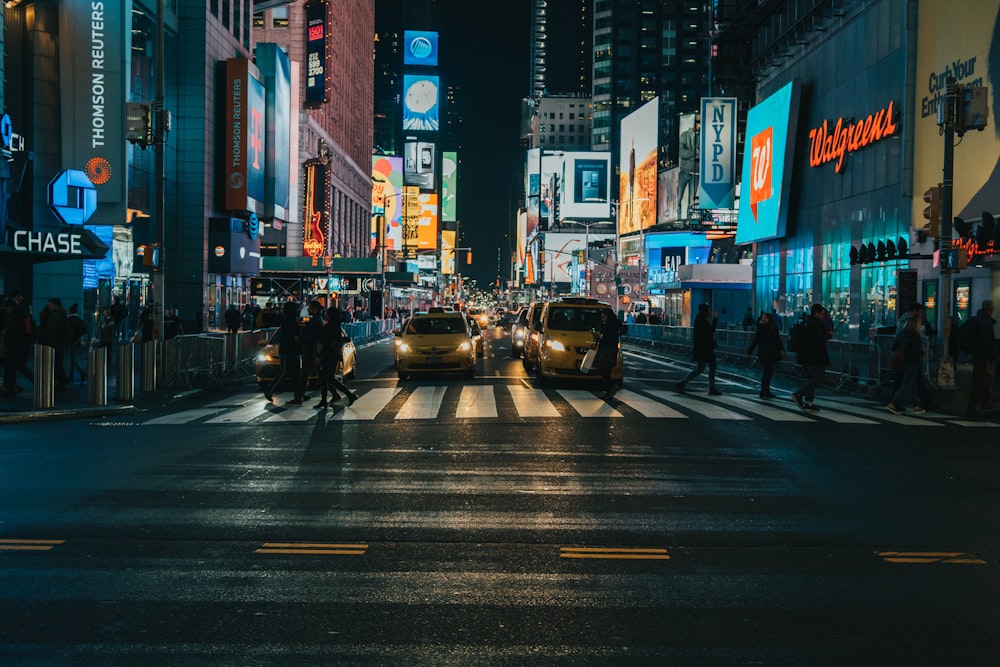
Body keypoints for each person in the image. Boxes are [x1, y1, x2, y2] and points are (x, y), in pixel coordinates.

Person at [315, 307, 359, 408]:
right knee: (325, 378)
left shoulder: (328, 328)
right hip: (334, 355)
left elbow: (325, 343)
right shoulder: (336, 327)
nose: (325, 314)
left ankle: (349, 395)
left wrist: (319, 355)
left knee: (328, 378)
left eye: (326, 313)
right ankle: (325, 399)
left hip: (327, 356)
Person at [790, 304, 831, 412]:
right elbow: (819, 340)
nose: (823, 316)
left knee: (811, 379)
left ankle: (809, 402)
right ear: (816, 313)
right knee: (819, 378)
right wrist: (829, 335)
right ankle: (799, 394)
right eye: (822, 313)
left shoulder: (805, 322)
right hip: (815, 356)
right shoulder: (816, 324)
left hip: (805, 356)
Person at [676, 303, 722, 395]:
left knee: (701, 368)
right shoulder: (702, 320)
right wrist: (715, 319)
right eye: (708, 309)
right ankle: (711, 387)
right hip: (705, 349)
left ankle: (683, 383)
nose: (709, 311)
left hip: (702, 348)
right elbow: (710, 331)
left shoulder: (699, 319)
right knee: (711, 366)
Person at [887, 313, 927, 415]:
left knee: (910, 384)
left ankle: (915, 406)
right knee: (906, 384)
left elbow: (894, 347)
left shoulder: (902, 334)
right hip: (912, 362)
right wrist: (922, 352)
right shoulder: (915, 336)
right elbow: (917, 350)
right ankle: (894, 403)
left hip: (902, 362)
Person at [964, 300, 998, 419]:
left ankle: (983, 403)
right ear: (991, 309)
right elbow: (989, 341)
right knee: (980, 382)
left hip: (977, 355)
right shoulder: (986, 322)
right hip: (983, 356)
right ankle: (973, 408)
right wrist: (995, 355)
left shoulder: (976, 319)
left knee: (984, 380)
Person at [264, 301, 302, 403]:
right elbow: (293, 337)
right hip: (289, 351)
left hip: (290, 350)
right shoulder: (290, 321)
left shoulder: (290, 320)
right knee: (284, 372)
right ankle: (269, 389)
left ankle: (298, 396)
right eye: (297, 308)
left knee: (293, 374)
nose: (299, 310)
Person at [292, 300, 324, 406]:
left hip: (311, 352)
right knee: (323, 376)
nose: (308, 310)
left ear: (315, 309)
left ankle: (298, 398)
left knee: (304, 375)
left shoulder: (316, 321)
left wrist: (300, 338)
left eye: (310, 308)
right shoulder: (316, 320)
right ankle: (334, 394)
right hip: (312, 352)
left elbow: (313, 338)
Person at [2, 297, 34, 397]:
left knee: (10, 369)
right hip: (22, 346)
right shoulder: (25, 315)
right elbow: (29, 332)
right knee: (20, 367)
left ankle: (10, 390)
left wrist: (7, 335)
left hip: (14, 346)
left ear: (10, 307)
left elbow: (12, 332)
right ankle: (38, 382)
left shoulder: (13, 317)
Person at [746, 311, 784, 398]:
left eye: (765, 318)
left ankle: (765, 390)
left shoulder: (774, 329)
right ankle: (764, 390)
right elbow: (755, 341)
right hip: (764, 353)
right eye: (763, 318)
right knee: (767, 371)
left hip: (772, 352)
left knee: (768, 371)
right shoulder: (761, 328)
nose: (763, 320)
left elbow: (778, 340)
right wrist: (749, 352)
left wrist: (781, 349)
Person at [39, 297, 70, 388]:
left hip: (53, 343)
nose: (48, 305)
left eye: (50, 304)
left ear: (54, 304)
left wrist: (43, 336)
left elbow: (51, 330)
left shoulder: (55, 316)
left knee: (56, 364)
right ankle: (62, 381)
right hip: (58, 344)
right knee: (58, 363)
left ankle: (61, 382)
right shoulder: (59, 314)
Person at [594, 308, 622, 398]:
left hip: (608, 349)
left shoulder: (611, 325)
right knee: (606, 369)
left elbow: (608, 337)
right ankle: (610, 390)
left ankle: (611, 387)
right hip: (608, 349)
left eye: (604, 316)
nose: (603, 318)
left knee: (602, 368)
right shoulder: (608, 323)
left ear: (608, 316)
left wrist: (600, 336)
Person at [677, 115, 700, 220]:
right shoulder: (684, 135)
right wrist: (694, 153)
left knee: (691, 200)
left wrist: (690, 155)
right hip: (684, 171)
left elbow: (703, 154)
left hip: (696, 173)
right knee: (679, 197)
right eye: (698, 121)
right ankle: (678, 218)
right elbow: (682, 153)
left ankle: (688, 220)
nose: (699, 124)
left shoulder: (703, 137)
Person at [66, 303, 87, 384]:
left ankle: (81, 374)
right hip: (78, 341)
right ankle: (73, 375)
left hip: (72, 341)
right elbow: (83, 330)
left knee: (73, 359)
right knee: (73, 359)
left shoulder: (69, 320)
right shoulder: (79, 320)